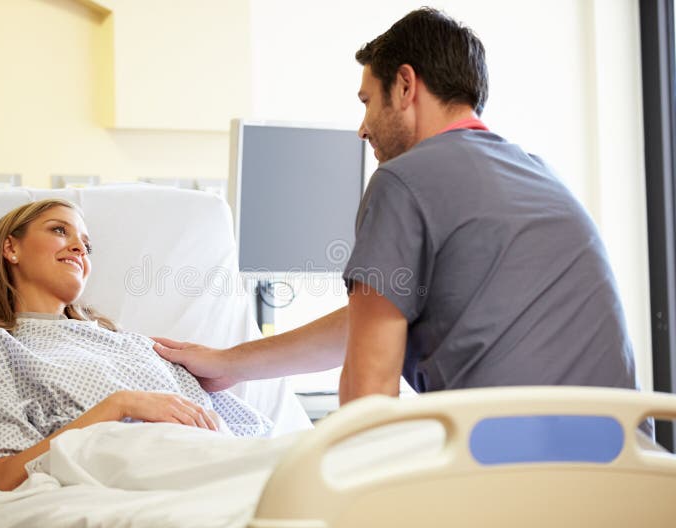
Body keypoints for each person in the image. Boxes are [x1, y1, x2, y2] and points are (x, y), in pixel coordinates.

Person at [154, 8, 638, 404]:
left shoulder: (404, 180)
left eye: (367, 101)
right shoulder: (541, 175)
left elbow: (369, 393)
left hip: (511, 481)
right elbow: (373, 322)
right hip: (629, 474)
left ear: (405, 86)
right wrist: (231, 364)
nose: (362, 128)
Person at [0, 199, 272, 491]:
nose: (79, 247)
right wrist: (120, 404)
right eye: (59, 230)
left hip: (218, 463)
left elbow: (240, 433)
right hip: (137, 473)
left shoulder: (134, 344)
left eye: (86, 243)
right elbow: (0, 479)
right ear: (10, 249)